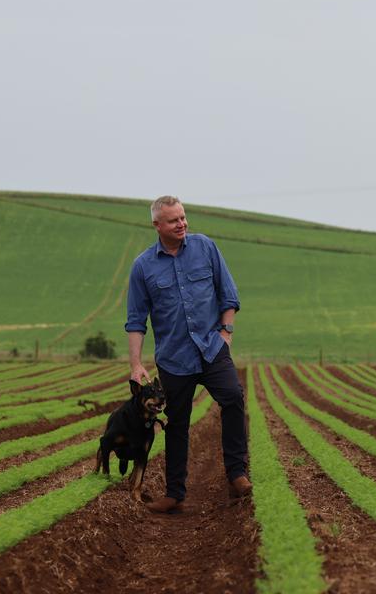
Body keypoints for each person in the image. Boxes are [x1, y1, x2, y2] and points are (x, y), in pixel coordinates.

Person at [125, 195, 251, 513]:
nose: (181, 224)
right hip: (174, 358)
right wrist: (136, 363)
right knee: (177, 423)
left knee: (234, 397)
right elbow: (136, 321)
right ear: (157, 225)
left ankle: (237, 473)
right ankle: (175, 493)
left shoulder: (205, 247)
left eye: (183, 217)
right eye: (173, 220)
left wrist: (226, 334)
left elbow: (229, 294)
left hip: (211, 348)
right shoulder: (143, 267)